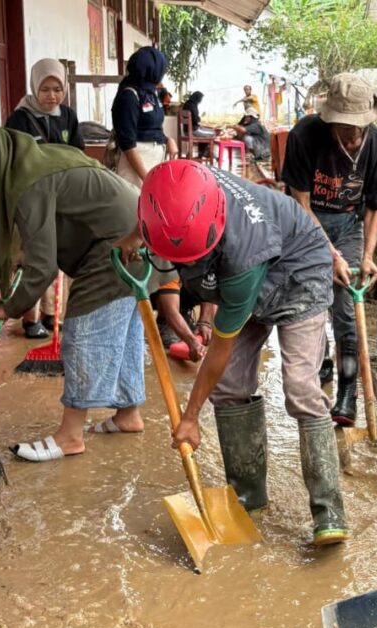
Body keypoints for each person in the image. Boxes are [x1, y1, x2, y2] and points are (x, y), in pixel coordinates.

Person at [115, 160, 349, 546]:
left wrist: (191, 418)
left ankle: (328, 512)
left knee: (301, 388)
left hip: (299, 269)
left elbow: (218, 351)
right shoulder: (175, 186)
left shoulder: (240, 258)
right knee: (229, 389)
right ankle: (247, 498)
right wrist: (133, 237)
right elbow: (155, 217)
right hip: (252, 260)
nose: (187, 267)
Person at [0, 123, 148, 460]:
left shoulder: (28, 182)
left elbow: (41, 267)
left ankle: (70, 436)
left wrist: (10, 308)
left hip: (117, 244)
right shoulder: (30, 163)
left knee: (83, 332)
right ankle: (128, 415)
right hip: (138, 233)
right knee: (126, 332)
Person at [281, 73, 377, 425]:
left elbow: (376, 207)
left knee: (347, 308)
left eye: (361, 126)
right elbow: (300, 203)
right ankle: (323, 361)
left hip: (349, 225)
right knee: (313, 300)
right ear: (330, 120)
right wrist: (328, 255)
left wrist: (365, 257)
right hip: (306, 226)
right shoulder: (305, 136)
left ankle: (348, 392)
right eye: (347, 127)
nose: (354, 135)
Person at [5, 58, 84, 339]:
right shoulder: (20, 118)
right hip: (32, 197)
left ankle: (52, 314)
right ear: (34, 87)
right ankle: (31, 318)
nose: (52, 95)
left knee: (56, 253)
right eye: (45, 89)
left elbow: (77, 154)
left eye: (57, 89)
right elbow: (13, 158)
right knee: (34, 257)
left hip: (61, 196)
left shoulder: (68, 117)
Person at [111, 47, 177, 188]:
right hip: (135, 169)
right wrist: (146, 178)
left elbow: (153, 127)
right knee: (133, 207)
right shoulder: (129, 95)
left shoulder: (150, 92)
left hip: (152, 164)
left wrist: (168, 140)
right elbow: (127, 143)